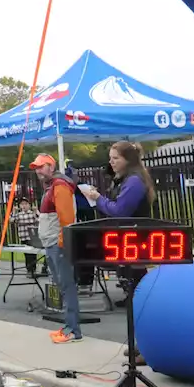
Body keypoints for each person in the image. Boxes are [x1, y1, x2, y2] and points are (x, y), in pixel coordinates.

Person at [79, 141, 156, 361]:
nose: (111, 163)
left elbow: (120, 211)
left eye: (116, 159)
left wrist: (98, 199)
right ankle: (141, 344)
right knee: (132, 293)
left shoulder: (133, 181)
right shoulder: (125, 180)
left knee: (137, 294)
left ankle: (146, 346)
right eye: (110, 158)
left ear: (128, 160)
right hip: (126, 241)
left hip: (135, 242)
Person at [28, 154, 82, 344]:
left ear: (51, 166)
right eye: (36, 167)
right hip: (54, 243)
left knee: (66, 286)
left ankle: (73, 330)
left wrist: (61, 242)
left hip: (58, 244)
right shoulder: (53, 185)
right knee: (64, 285)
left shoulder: (59, 186)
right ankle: (70, 327)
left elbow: (66, 218)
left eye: (41, 167)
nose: (38, 171)